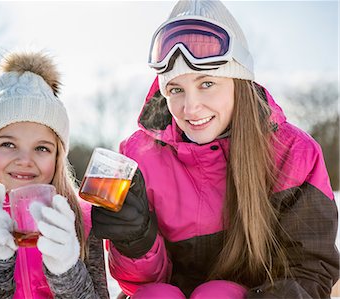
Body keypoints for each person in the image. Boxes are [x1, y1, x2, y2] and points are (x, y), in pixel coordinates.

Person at [91, 0, 339, 298]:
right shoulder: (139, 156)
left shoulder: (293, 153)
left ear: (239, 82)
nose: (190, 108)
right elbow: (141, 284)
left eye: (207, 83)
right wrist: (135, 240)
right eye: (175, 89)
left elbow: (309, 270)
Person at [0, 50, 109, 299]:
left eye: (41, 148)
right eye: (8, 144)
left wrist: (66, 270)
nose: (25, 160)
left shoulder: (80, 221)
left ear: (57, 158)